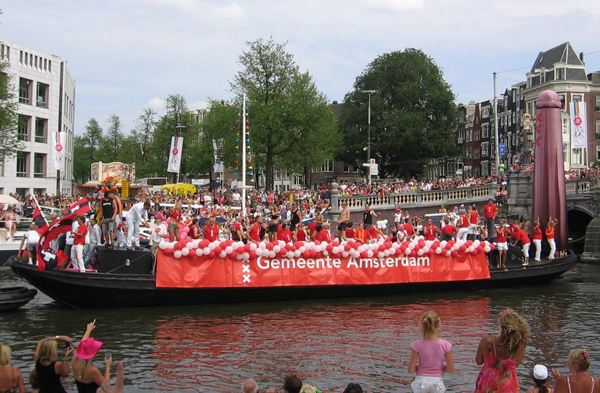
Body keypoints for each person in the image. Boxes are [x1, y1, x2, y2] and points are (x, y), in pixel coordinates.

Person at [474, 308, 530, 393]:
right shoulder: (519, 346)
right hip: (508, 384)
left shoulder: (487, 341)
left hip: (488, 383)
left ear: (501, 327)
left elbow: (478, 361)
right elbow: (515, 364)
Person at [408, 311, 454, 393]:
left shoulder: (417, 344)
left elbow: (411, 370)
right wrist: (440, 367)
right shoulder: (445, 344)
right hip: (437, 383)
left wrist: (419, 367)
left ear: (423, 326)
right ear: (438, 325)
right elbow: (451, 370)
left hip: (421, 382)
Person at [71, 320, 112, 393]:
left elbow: (81, 344)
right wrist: (108, 366)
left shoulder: (74, 361)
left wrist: (88, 330)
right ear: (94, 354)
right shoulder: (92, 371)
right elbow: (106, 386)